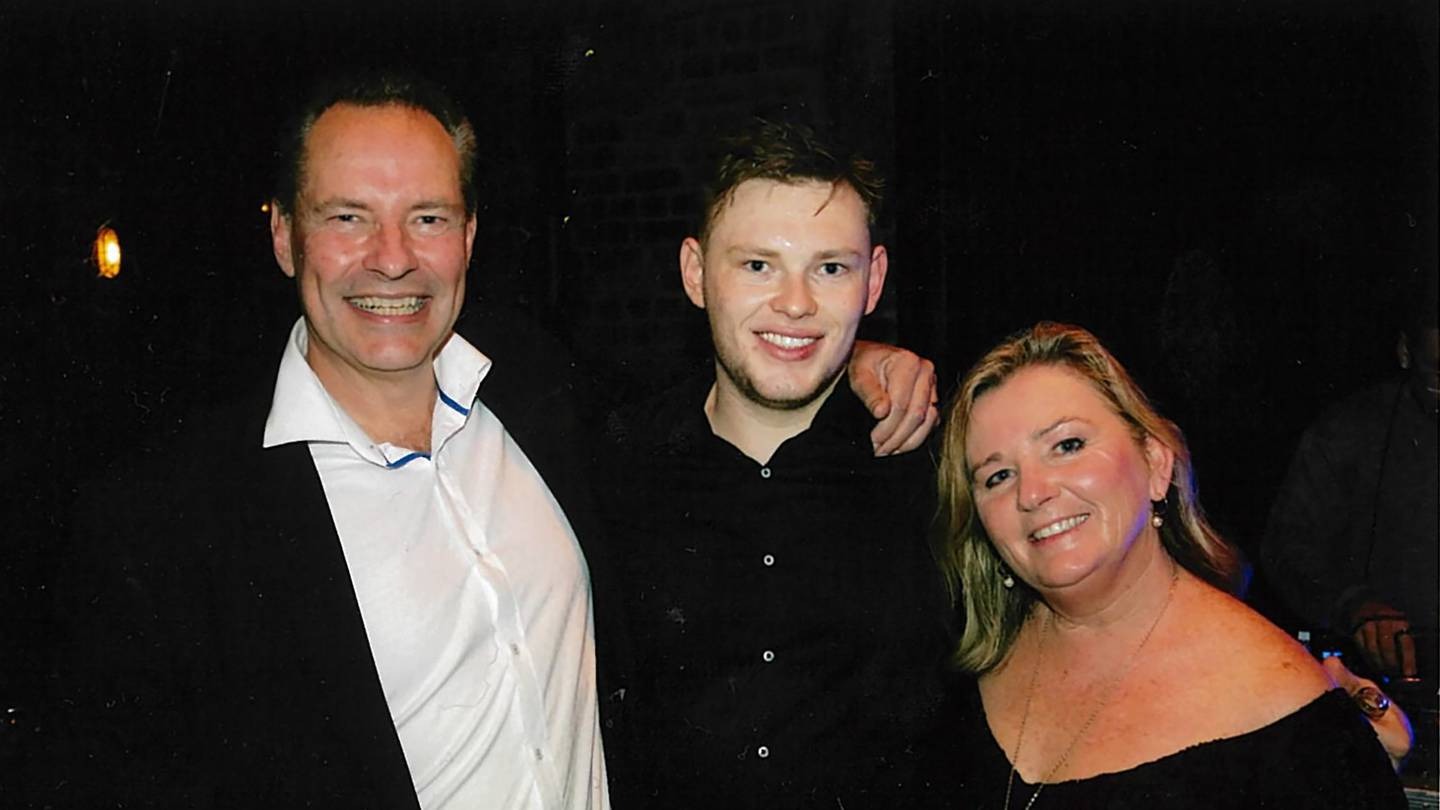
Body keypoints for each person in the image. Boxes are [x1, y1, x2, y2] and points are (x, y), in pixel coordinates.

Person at [37, 75, 937, 807]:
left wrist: (864, 354)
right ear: (283, 234)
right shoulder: (166, 523)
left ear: (469, 236)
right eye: (348, 216)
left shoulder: (546, 398)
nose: (392, 257)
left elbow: (758, 363)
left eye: (427, 216)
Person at [598, 121, 951, 808]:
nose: (796, 303)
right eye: (758, 265)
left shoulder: (932, 462)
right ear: (696, 273)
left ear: (873, 280)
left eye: (830, 268)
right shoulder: (612, 464)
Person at [919, 322, 1406, 808]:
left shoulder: (1292, 720)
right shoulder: (961, 668)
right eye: (998, 475)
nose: (1032, 492)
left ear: (1156, 464)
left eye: (1067, 446)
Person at [1261, 294, 1438, 680]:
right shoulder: (1348, 432)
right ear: (1407, 353)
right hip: (1392, 678)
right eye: (1437, 376)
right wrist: (1355, 605)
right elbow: (1286, 546)